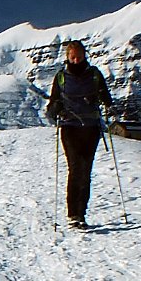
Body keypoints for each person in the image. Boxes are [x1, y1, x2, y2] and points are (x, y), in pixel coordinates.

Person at [45, 39, 115, 229]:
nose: (76, 61)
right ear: (68, 57)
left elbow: (106, 98)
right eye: (73, 57)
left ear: (85, 55)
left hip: (91, 128)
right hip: (70, 128)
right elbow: (51, 106)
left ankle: (80, 214)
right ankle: (73, 214)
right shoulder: (61, 77)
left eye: (79, 57)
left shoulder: (94, 75)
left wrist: (105, 99)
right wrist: (56, 108)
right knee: (76, 168)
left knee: (85, 171)